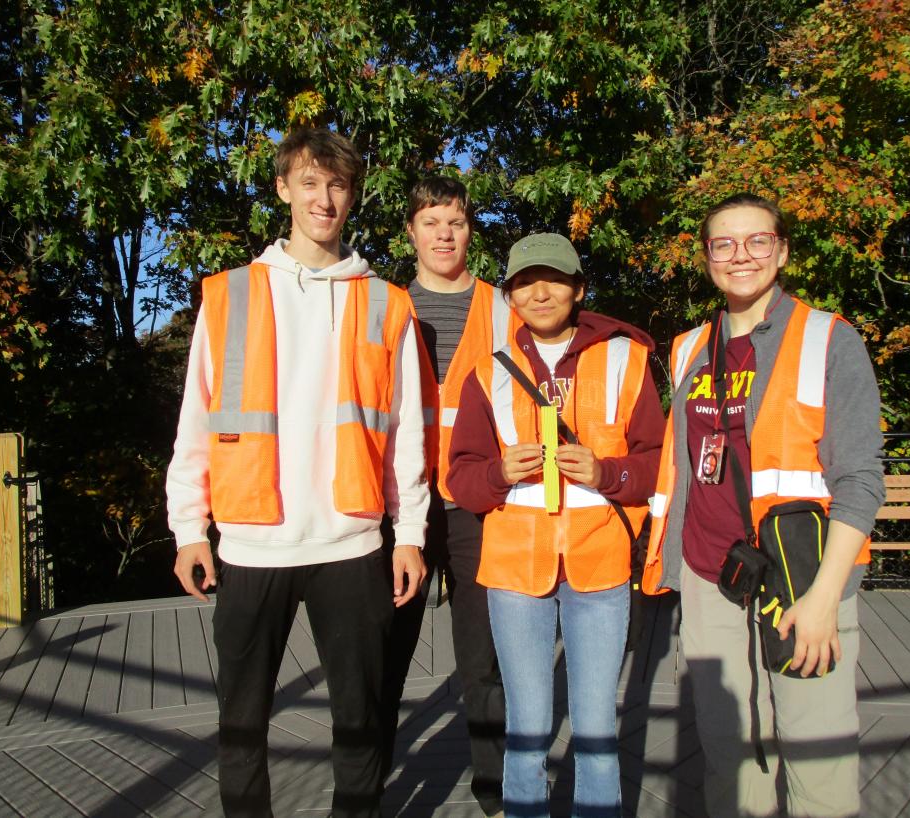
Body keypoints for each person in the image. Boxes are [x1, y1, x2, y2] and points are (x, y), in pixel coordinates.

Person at [166, 128, 430, 818]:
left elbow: (407, 434)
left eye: (338, 184)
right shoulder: (229, 295)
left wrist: (410, 535)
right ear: (282, 189)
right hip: (253, 545)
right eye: (309, 183)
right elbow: (196, 417)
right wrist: (188, 528)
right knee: (241, 725)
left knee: (360, 721)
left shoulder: (387, 301)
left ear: (352, 196)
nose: (325, 198)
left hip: (352, 544)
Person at [642, 193, 885, 817]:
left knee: (816, 752)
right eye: (723, 243)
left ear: (781, 251)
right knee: (728, 756)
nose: (740, 255)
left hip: (801, 577)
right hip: (711, 575)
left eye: (757, 241)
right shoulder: (689, 347)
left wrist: (825, 598)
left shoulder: (829, 338)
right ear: (706, 258)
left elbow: (861, 480)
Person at [447, 233, 665, 818]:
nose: (539, 292)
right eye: (523, 282)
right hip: (516, 569)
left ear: (578, 289)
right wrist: (496, 472)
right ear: (511, 295)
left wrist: (608, 472)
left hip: (600, 565)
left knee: (595, 725)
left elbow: (656, 465)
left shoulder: (626, 358)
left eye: (553, 280)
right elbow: (460, 479)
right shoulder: (486, 370)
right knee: (526, 722)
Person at [379, 176, 511, 817]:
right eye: (430, 222)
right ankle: (367, 784)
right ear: (411, 232)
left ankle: (495, 788)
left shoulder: (503, 308)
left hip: (477, 503)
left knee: (482, 657)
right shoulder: (383, 307)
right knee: (384, 654)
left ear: (469, 230)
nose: (443, 234)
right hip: (398, 506)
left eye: (454, 222)